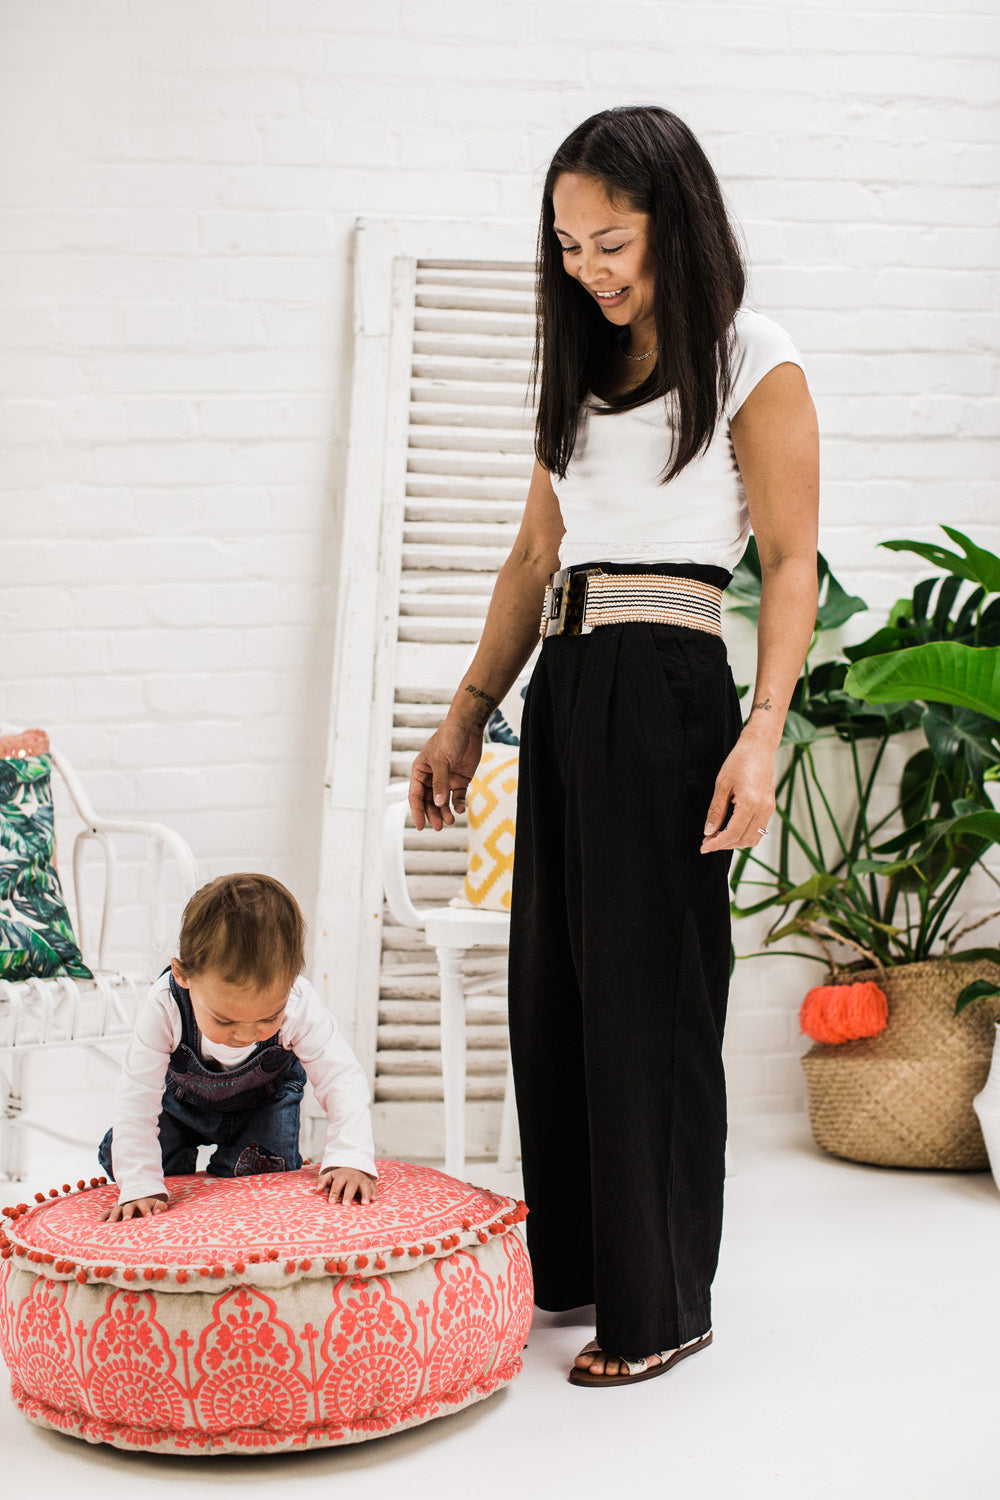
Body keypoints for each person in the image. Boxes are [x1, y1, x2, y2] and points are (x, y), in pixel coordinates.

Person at [408, 105, 819, 1387]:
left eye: (613, 241)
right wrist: (471, 707)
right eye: (569, 244)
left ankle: (665, 1307)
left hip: (669, 685)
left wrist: (761, 735)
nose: (589, 267)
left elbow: (796, 560)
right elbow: (538, 554)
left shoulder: (754, 357)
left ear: (675, 224)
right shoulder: (575, 365)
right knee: (559, 993)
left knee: (650, 1000)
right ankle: (582, 1272)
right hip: (570, 685)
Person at [97, 872, 378, 1221]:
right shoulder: (165, 1006)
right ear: (184, 975)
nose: (247, 1035)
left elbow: (341, 1078)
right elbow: (137, 1096)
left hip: (263, 1107)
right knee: (130, 1161)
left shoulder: (300, 1003)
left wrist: (350, 1156)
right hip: (181, 1107)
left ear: (291, 981)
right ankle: (166, 1169)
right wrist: (140, 1182)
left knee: (262, 1183)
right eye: (225, 1021)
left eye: (267, 1018)